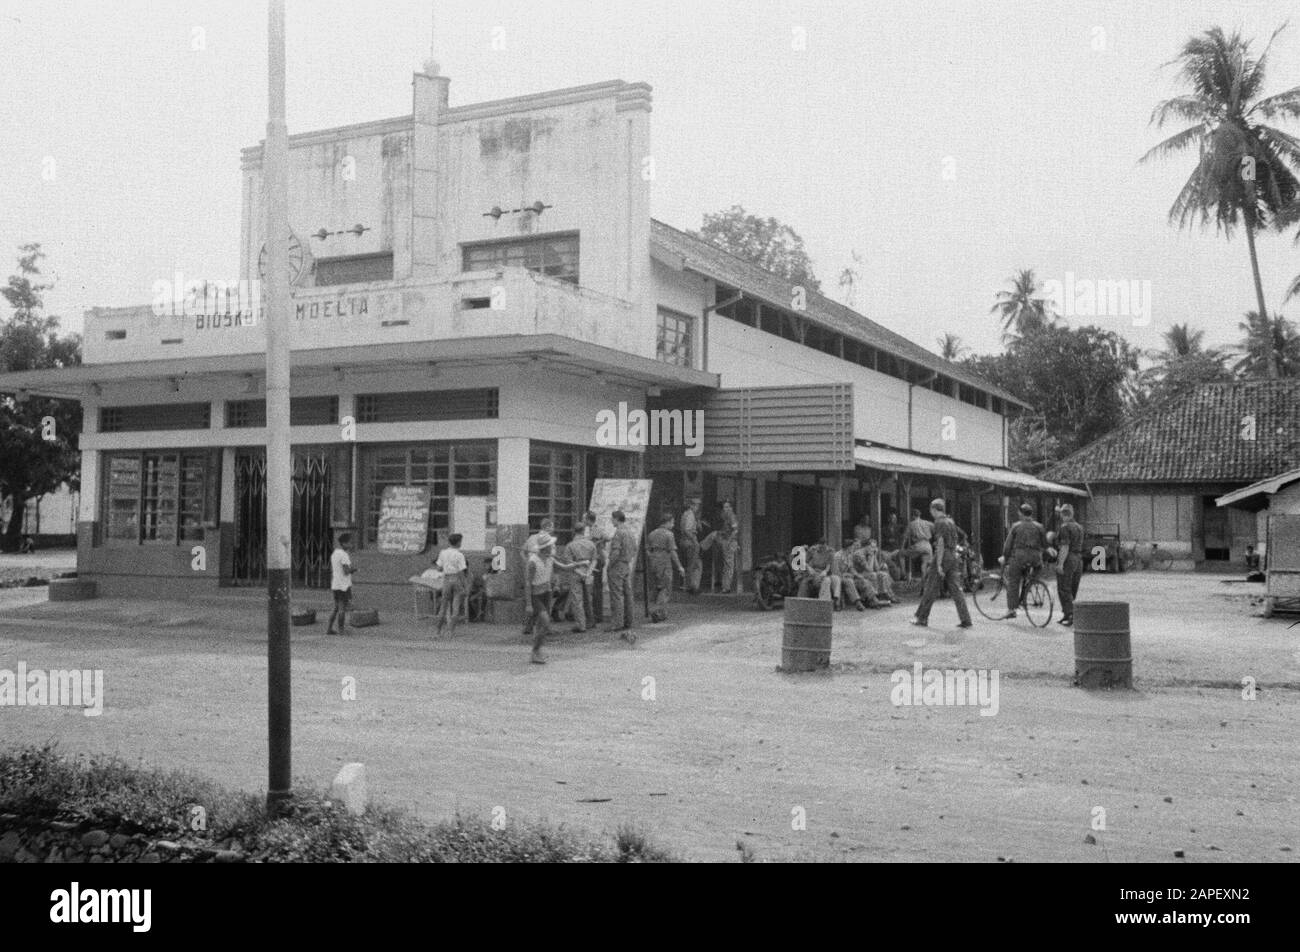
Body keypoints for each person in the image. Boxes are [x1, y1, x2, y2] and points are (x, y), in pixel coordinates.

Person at [911, 499, 973, 629]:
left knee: (931, 587)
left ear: (934, 509)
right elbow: (958, 537)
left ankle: (922, 618)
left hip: (943, 555)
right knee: (956, 589)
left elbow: (940, 543)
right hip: (953, 555)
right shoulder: (950, 521)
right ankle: (966, 619)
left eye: (931, 510)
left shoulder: (939, 522)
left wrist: (938, 563)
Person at [1000, 503, 1047, 619]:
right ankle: (1028, 587)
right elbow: (1045, 544)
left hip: (1019, 557)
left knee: (1013, 582)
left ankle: (1011, 610)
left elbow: (1007, 545)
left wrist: (1005, 558)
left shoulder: (1016, 526)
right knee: (1033, 575)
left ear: (1020, 513)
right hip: (1036, 558)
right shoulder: (1039, 526)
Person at [604, 510, 637, 643]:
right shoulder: (630, 532)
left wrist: (610, 564)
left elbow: (616, 551)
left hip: (617, 565)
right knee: (628, 594)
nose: (612, 521)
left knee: (616, 595)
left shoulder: (619, 533)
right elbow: (634, 549)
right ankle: (629, 620)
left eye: (612, 519)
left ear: (617, 519)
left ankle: (617, 623)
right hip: (626, 564)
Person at [646, 512, 685, 622]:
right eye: (672, 523)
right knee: (665, 587)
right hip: (664, 561)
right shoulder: (669, 534)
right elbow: (672, 552)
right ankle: (657, 611)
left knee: (656, 587)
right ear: (667, 522)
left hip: (653, 561)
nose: (673, 525)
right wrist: (679, 566)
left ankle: (661, 612)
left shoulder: (652, 533)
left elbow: (647, 550)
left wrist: (653, 558)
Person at [526, 533, 557, 664]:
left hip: (547, 593)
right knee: (545, 621)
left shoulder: (549, 558)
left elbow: (564, 567)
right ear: (545, 547)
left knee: (542, 626)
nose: (553, 547)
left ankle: (537, 651)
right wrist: (528, 604)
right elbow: (528, 582)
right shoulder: (533, 561)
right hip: (536, 595)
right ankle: (535, 650)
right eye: (550, 545)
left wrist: (579, 564)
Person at [1053, 503, 1084, 627]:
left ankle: (1070, 614)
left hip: (1069, 558)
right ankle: (1068, 613)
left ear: (1063, 514)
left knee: (1064, 587)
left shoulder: (1065, 527)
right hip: (1078, 558)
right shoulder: (1079, 527)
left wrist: (1060, 564)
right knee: (1072, 587)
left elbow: (1065, 547)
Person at [563, 524, 598, 632]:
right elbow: (595, 560)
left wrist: (579, 572)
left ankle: (581, 625)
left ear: (574, 531)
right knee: (588, 598)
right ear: (583, 531)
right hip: (588, 572)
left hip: (576, 572)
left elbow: (568, 563)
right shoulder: (591, 544)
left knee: (577, 599)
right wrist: (589, 572)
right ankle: (590, 621)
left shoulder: (570, 545)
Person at [434, 533, 468, 637]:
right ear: (458, 543)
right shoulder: (460, 555)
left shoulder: (443, 553)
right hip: (456, 579)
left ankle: (438, 632)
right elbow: (461, 572)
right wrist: (465, 585)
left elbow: (438, 568)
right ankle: (451, 631)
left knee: (443, 607)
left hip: (447, 579)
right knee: (456, 606)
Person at [327, 532, 357, 636]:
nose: (351, 545)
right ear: (344, 544)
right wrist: (354, 569)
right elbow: (346, 571)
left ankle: (329, 628)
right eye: (350, 543)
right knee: (341, 608)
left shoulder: (335, 553)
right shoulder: (344, 555)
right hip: (343, 586)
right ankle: (341, 630)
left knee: (336, 607)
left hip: (335, 584)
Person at [700, 523, 739, 593]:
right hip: (726, 540)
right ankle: (725, 587)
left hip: (728, 541)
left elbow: (733, 532)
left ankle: (725, 587)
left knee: (727, 566)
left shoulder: (718, 534)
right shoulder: (717, 534)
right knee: (727, 566)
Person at [857, 539, 898, 604]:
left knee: (883, 574)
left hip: (867, 573)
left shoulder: (870, 553)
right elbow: (869, 569)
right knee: (873, 575)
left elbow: (877, 569)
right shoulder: (859, 554)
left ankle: (884, 594)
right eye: (872, 547)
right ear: (866, 546)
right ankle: (874, 596)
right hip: (859, 573)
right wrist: (872, 556)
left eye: (875, 547)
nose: (874, 549)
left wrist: (875, 556)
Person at [900, 509, 934, 580]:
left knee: (901, 554)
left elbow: (905, 537)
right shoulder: (927, 522)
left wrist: (902, 548)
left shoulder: (911, 524)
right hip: (928, 545)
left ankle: (903, 574)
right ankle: (924, 581)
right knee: (925, 564)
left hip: (919, 544)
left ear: (912, 516)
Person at [679, 497, 703, 595]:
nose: (698, 507)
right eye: (696, 505)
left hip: (685, 541)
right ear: (691, 505)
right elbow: (687, 530)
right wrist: (694, 541)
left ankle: (689, 585)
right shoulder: (690, 515)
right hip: (690, 541)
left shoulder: (686, 514)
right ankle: (692, 586)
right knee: (695, 564)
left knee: (691, 563)